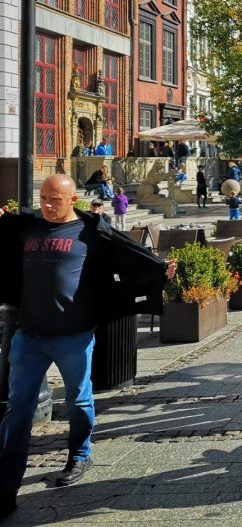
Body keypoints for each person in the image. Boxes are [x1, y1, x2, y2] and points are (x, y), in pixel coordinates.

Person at [0, 175, 175, 517]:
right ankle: (6, 486)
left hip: (73, 336)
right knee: (17, 411)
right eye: (44, 198)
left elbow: (128, 255)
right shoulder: (27, 229)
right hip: (29, 336)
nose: (48, 205)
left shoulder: (89, 233)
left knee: (79, 401)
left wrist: (157, 271)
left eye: (56, 200)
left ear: (73, 200)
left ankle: (79, 454)